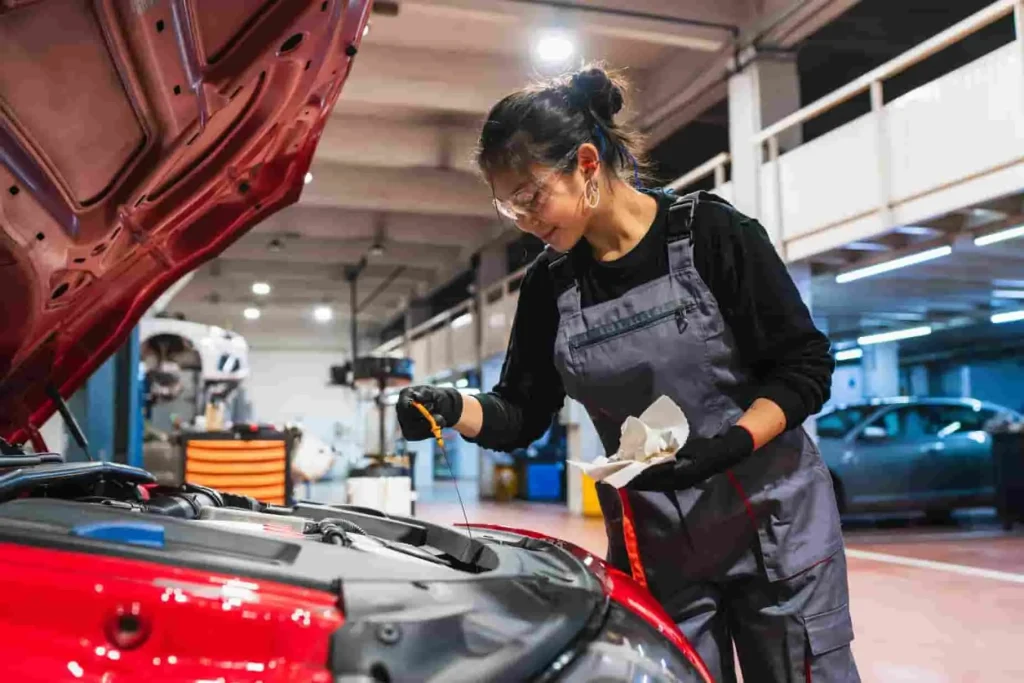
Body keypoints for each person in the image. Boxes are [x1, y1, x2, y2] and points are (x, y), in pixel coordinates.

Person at [397, 65, 859, 683]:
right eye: (511, 209)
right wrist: (451, 408)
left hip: (774, 529)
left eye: (533, 197)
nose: (528, 221)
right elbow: (521, 411)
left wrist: (730, 444)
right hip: (660, 544)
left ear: (587, 163)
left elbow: (803, 367)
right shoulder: (550, 286)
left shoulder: (711, 236)